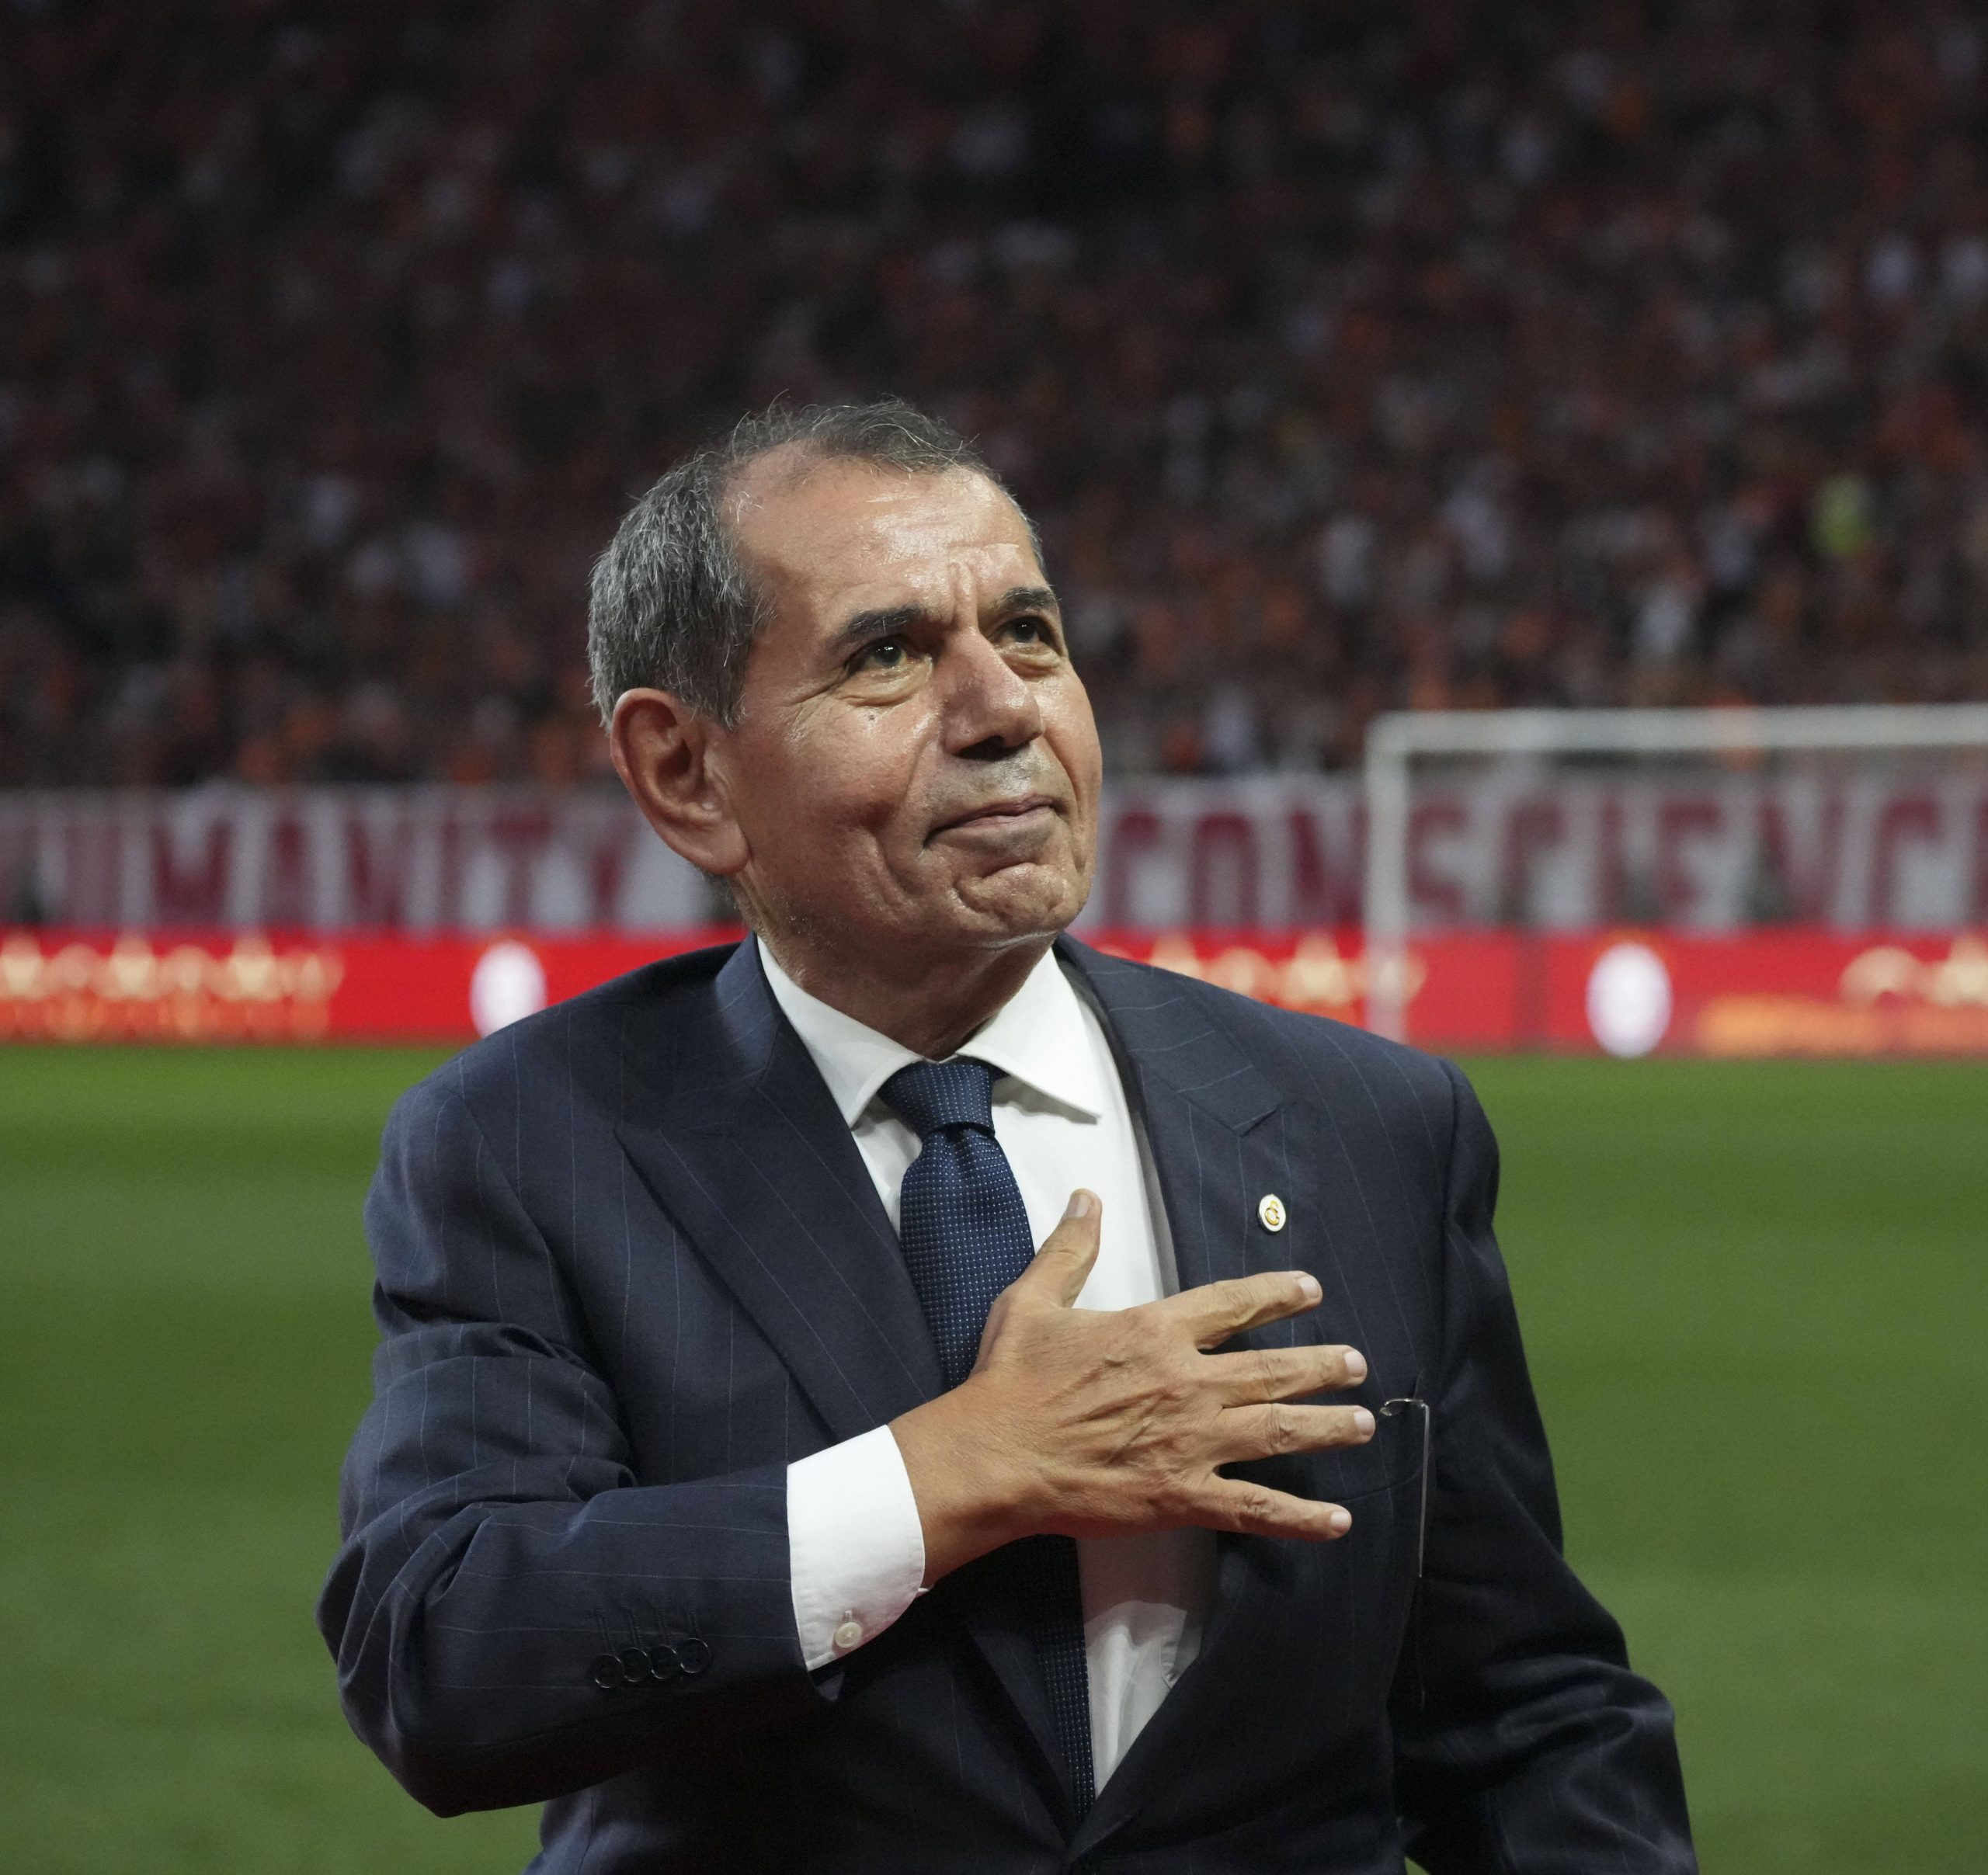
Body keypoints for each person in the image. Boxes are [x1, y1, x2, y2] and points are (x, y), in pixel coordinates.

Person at [318, 399, 1695, 1873]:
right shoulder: (533, 1143)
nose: (1002, 709)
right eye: (889, 655)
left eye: (1030, 634)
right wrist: (946, 1475)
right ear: (685, 773)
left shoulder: (1372, 1124)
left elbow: (1524, 1716)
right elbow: (445, 1655)